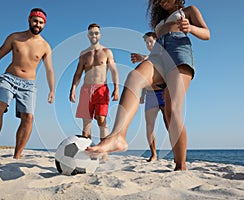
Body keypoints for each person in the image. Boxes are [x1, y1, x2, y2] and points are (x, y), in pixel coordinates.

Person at [87, 0, 210, 171]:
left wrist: (191, 28)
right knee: (134, 78)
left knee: (172, 108)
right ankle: (118, 136)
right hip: (158, 54)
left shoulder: (189, 11)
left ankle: (180, 165)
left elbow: (207, 33)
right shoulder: (159, 22)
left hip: (179, 51)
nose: (162, 2)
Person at [0, 8, 55, 162]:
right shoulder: (15, 37)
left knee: (28, 117)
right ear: (29, 20)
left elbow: (49, 69)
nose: (38, 24)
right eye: (35, 20)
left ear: (44, 25)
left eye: (41, 22)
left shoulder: (45, 46)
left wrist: (52, 89)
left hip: (29, 85)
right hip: (9, 79)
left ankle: (17, 156)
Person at [69, 23, 119, 160]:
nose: (94, 35)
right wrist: (73, 88)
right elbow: (78, 72)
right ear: (88, 35)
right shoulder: (84, 54)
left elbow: (114, 70)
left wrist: (116, 88)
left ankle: (104, 151)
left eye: (96, 33)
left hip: (101, 88)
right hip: (86, 89)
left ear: (100, 34)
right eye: (91, 33)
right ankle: (88, 151)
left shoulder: (107, 51)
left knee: (101, 119)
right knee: (86, 124)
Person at [131, 32, 168, 162]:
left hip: (163, 92)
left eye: (150, 41)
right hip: (151, 94)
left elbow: (153, 60)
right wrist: (142, 95)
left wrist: (142, 58)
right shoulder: (148, 59)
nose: (148, 44)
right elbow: (145, 79)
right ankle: (153, 154)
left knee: (169, 123)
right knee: (149, 126)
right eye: (146, 42)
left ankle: (177, 153)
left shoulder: (163, 55)